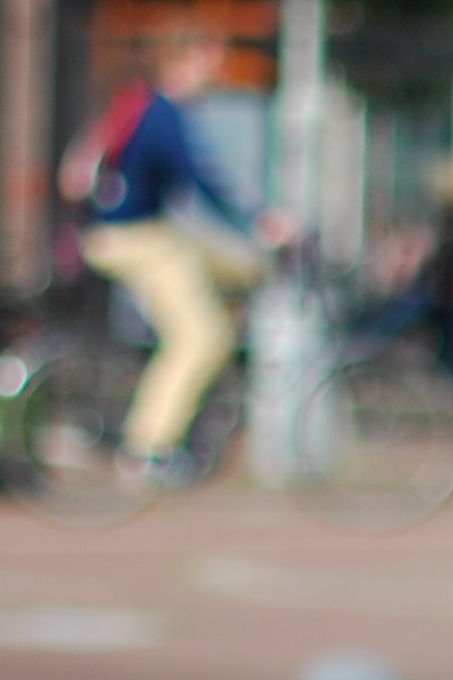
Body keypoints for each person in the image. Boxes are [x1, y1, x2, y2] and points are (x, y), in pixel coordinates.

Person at [58, 27, 283, 484]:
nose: (214, 75)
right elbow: (200, 179)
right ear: (185, 60)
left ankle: (203, 395)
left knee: (247, 267)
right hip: (132, 238)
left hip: (142, 231)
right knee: (202, 338)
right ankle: (148, 449)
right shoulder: (164, 114)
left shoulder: (146, 106)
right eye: (209, 64)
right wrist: (259, 220)